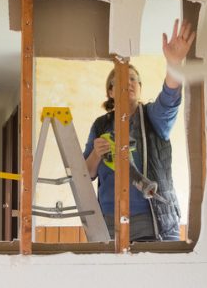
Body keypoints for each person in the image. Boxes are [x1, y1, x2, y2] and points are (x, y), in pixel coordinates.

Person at [83, 19, 195, 241]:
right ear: (111, 91)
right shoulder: (100, 125)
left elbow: (170, 98)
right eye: (122, 79)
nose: (129, 82)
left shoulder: (153, 118)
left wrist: (174, 63)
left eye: (134, 79)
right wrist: (96, 153)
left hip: (154, 223)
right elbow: (85, 174)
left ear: (140, 88)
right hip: (109, 222)